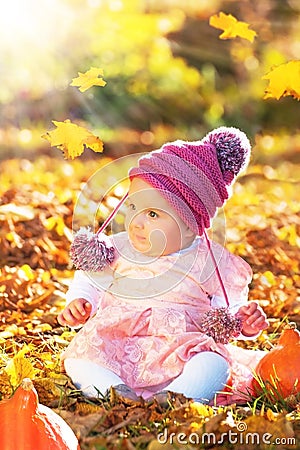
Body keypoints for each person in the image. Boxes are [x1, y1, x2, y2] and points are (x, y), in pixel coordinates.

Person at [58, 126, 268, 404]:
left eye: (153, 213)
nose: (137, 222)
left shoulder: (210, 261)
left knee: (214, 365)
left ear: (191, 223)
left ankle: (177, 397)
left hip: (181, 349)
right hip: (118, 344)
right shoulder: (118, 247)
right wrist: (81, 301)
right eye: (132, 207)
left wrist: (244, 321)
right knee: (80, 358)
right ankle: (115, 392)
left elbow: (226, 309)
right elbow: (90, 280)